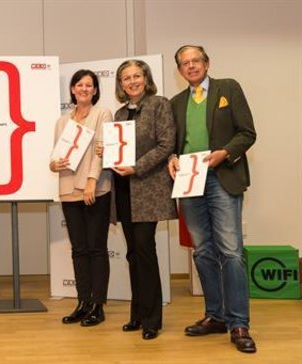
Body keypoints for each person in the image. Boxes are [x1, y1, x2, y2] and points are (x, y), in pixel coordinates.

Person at [168, 45, 257, 353]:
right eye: (185, 63)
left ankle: (238, 323)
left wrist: (226, 153)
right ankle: (215, 316)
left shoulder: (228, 88)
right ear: (179, 71)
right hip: (190, 182)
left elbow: (247, 133)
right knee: (203, 252)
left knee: (231, 252)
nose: (191, 66)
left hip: (222, 178)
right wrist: (171, 158)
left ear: (206, 63)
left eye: (196, 61)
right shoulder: (176, 103)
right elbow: (173, 144)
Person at [112, 59, 177, 340]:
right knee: (132, 254)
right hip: (124, 189)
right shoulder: (118, 113)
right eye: (126, 78)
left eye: (137, 76)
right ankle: (137, 314)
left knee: (145, 252)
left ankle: (152, 320)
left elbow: (166, 144)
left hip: (148, 189)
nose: (132, 81)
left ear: (146, 78)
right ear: (120, 84)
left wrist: (136, 167)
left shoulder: (159, 104)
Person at [50, 70, 112, 327]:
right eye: (80, 85)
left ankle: (98, 305)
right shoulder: (62, 121)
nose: (85, 89)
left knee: (96, 248)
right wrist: (55, 164)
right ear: (73, 90)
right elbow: (55, 158)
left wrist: (91, 182)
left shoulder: (103, 114)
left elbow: (101, 150)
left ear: (95, 90)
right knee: (79, 250)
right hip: (68, 189)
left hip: (95, 189)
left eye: (90, 85)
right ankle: (83, 302)